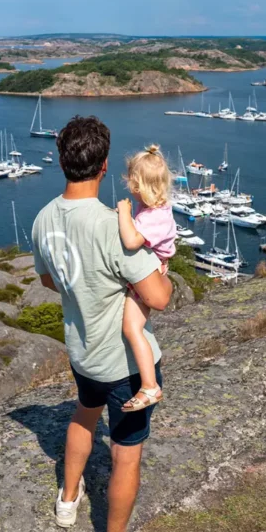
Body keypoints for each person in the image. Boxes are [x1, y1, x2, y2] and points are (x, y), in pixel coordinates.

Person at [31, 115, 173, 532]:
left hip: (82, 351)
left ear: (61, 161)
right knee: (124, 452)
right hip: (124, 365)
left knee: (82, 414)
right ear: (105, 165)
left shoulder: (43, 218)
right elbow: (159, 297)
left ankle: (68, 501)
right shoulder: (115, 224)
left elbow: (51, 279)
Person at [117, 144, 176, 412]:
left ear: (139, 186)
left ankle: (150, 386)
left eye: (131, 181)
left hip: (150, 274)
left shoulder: (153, 217)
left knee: (131, 328)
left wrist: (123, 214)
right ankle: (149, 385)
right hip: (152, 268)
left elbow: (131, 241)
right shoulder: (155, 208)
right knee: (132, 328)